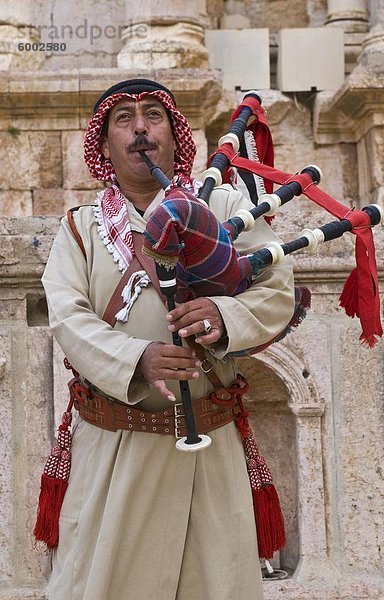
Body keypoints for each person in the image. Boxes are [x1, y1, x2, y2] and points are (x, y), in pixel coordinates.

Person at [41, 78, 295, 600]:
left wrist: (225, 315)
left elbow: (276, 290)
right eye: (124, 119)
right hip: (116, 449)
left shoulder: (222, 208)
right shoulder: (80, 229)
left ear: (175, 135)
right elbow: (68, 318)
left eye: (154, 115)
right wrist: (139, 358)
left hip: (210, 447)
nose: (140, 128)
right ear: (105, 143)